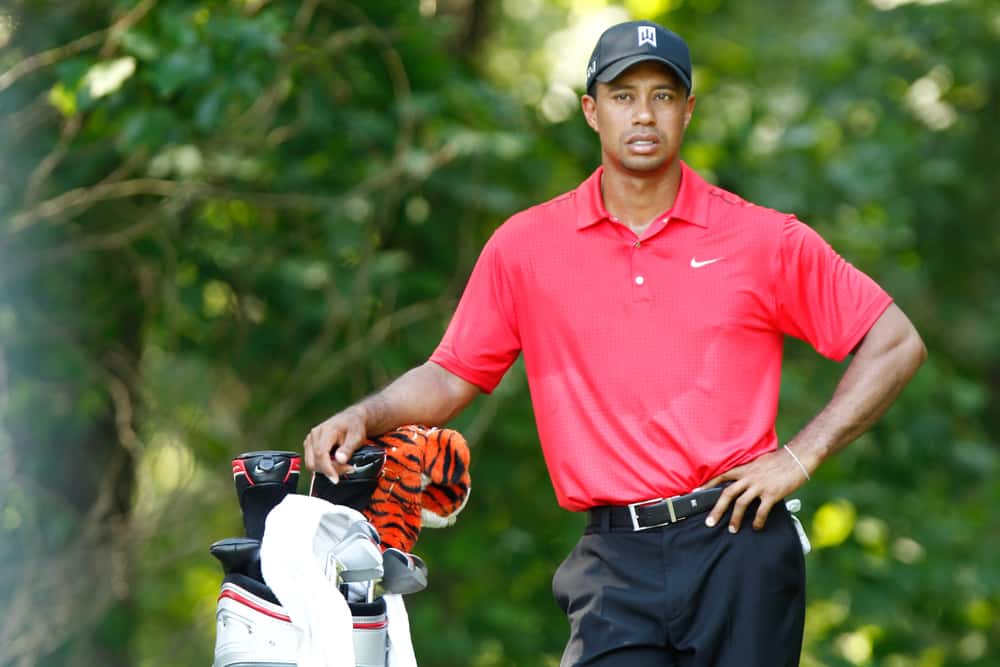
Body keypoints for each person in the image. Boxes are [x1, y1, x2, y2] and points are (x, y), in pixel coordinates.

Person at [304, 19, 926, 667]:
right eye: (624, 95)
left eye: (662, 95)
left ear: (687, 111)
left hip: (737, 541)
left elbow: (895, 341)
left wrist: (799, 456)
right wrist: (365, 414)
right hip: (612, 561)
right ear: (591, 110)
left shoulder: (762, 239)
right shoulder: (526, 247)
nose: (644, 114)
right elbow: (452, 373)